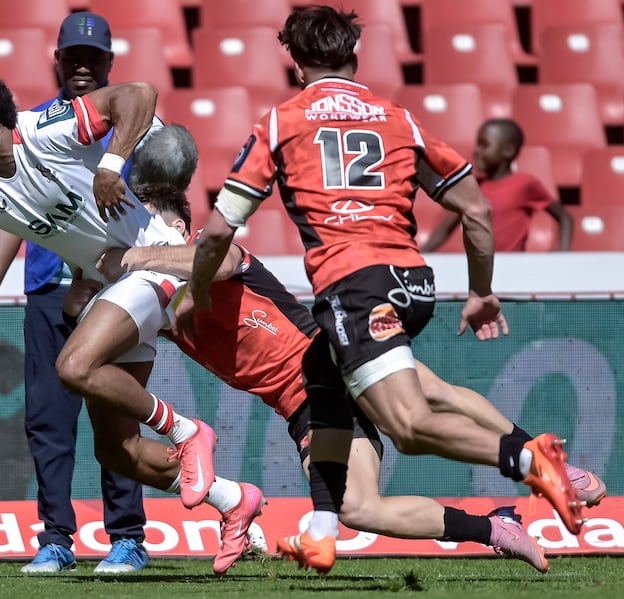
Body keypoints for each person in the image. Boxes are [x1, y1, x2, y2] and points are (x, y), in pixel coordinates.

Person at [172, 6, 586, 574]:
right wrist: (481, 292)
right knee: (325, 373)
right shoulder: (399, 120)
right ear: (354, 57)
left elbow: (219, 231)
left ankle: (529, 460)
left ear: (296, 66)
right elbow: (475, 209)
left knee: (408, 426)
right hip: (411, 282)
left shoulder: (282, 122)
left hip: (355, 287)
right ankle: (322, 529)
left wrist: (194, 291)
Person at [90, 182, 606, 575]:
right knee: (356, 508)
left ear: (179, 227)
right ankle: (495, 528)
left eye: (149, 229)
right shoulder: (152, 301)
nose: (140, 242)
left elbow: (219, 263)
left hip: (336, 353)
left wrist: (134, 256)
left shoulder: (205, 246)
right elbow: (86, 315)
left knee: (433, 394)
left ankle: (547, 462)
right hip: (306, 407)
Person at [0, 71, 264, 577]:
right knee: (119, 451)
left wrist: (111, 164)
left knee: (73, 366)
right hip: (111, 285)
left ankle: (188, 432)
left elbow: (139, 94)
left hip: (156, 261)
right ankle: (234, 500)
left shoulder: (44, 131)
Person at [0, 12, 166, 575]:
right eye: (73, 56)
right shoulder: (28, 128)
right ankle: (55, 539)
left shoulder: (139, 127)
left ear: (111, 63)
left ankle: (128, 538)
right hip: (47, 292)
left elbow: (164, 203)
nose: (83, 66)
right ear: (57, 60)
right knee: (47, 422)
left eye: (94, 58)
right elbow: (8, 214)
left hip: (118, 291)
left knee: (117, 420)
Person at [420, 118, 573, 253]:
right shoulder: (472, 187)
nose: (477, 151)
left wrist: (563, 254)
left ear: (508, 151)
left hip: (514, 268)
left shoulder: (525, 184)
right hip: (481, 268)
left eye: (484, 145)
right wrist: (422, 255)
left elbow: (564, 217)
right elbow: (445, 229)